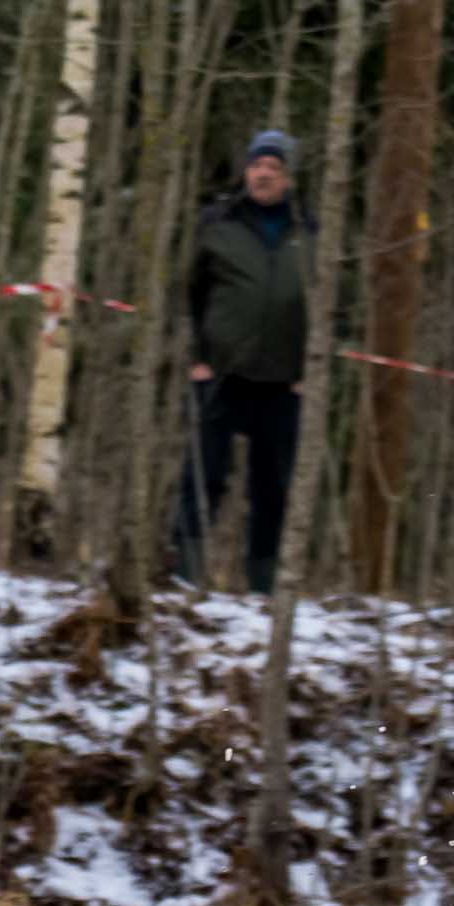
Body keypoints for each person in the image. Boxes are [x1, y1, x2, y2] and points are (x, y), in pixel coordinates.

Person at [174, 130, 314, 594]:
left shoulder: (311, 231)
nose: (263, 174)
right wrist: (198, 356)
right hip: (221, 373)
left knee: (272, 490)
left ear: (289, 177)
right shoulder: (218, 222)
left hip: (283, 381)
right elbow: (189, 291)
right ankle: (184, 577)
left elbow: (333, 307)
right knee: (203, 477)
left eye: (274, 167)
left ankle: (264, 591)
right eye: (257, 165)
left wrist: (309, 372)